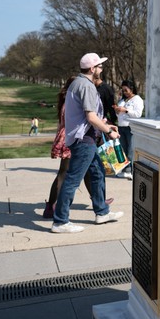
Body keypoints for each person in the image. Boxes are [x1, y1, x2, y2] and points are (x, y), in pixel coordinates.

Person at [51, 53, 123, 233]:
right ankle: (60, 222)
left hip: (86, 138)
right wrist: (109, 132)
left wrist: (105, 123)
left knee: (97, 173)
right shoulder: (86, 86)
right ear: (92, 69)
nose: (101, 69)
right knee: (73, 180)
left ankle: (102, 212)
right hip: (84, 140)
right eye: (99, 66)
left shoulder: (78, 83)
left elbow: (88, 116)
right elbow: (91, 117)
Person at [43, 76, 114, 219]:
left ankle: (98, 201)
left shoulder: (66, 100)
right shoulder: (72, 101)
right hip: (73, 137)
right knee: (66, 174)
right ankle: (52, 208)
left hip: (68, 136)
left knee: (88, 172)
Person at [113, 79, 144, 180]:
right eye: (123, 90)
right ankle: (125, 169)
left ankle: (130, 170)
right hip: (121, 127)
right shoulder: (122, 100)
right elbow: (119, 114)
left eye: (126, 90)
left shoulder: (137, 99)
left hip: (130, 127)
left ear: (131, 89)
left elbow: (138, 114)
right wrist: (117, 110)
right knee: (122, 150)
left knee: (130, 150)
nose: (125, 92)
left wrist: (125, 110)